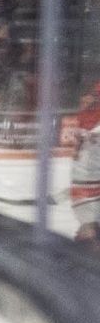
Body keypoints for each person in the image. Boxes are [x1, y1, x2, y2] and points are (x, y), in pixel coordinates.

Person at [69, 81, 100, 250]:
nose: (84, 102)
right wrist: (78, 147)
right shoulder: (83, 113)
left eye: (87, 99)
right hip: (87, 168)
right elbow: (80, 137)